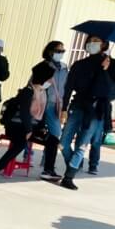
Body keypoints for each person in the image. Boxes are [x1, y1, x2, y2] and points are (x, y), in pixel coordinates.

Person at [49, 35, 115, 190]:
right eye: (90, 41)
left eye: (96, 41)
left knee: (82, 144)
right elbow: (68, 88)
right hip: (78, 105)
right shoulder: (79, 64)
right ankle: (74, 164)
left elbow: (111, 91)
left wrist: (105, 71)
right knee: (63, 143)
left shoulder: (112, 65)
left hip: (97, 109)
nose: (92, 44)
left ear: (104, 44)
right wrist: (64, 108)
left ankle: (69, 176)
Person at [0, 61, 54, 180]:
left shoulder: (43, 92)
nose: (51, 81)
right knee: (20, 143)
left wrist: (41, 127)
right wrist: (28, 130)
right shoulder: (27, 92)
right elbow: (24, 113)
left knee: (53, 141)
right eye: (50, 78)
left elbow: (41, 114)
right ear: (43, 78)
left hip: (32, 127)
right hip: (16, 127)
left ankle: (48, 171)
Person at [39, 40, 69, 179]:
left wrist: (64, 107)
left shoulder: (64, 68)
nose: (61, 53)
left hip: (56, 104)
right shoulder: (43, 66)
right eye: (58, 50)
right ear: (50, 51)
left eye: (63, 51)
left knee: (55, 134)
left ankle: (47, 164)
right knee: (51, 134)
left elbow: (66, 87)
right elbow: (33, 84)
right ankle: (47, 168)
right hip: (42, 103)